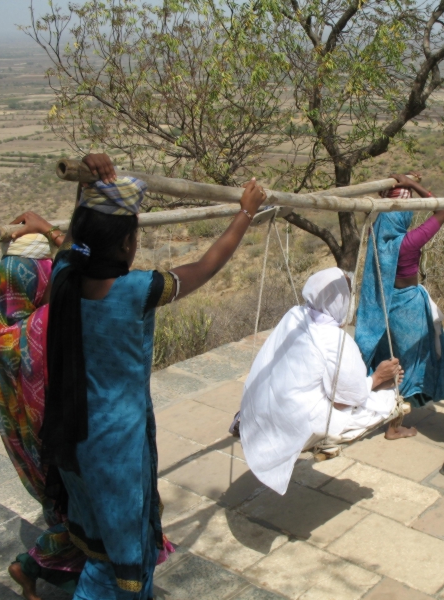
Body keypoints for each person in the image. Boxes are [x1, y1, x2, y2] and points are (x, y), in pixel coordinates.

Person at [41, 153, 267, 599]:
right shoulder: (133, 292)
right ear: (126, 245)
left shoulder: (64, 276)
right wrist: (246, 212)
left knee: (99, 549)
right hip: (115, 447)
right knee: (119, 568)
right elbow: (206, 267)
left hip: (71, 437)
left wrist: (87, 189)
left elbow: (73, 240)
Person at [0, 211, 84, 600]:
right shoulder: (38, 328)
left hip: (38, 430)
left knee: (68, 503)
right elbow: (89, 276)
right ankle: (32, 565)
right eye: (47, 277)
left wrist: (48, 233)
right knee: (75, 505)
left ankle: (34, 569)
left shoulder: (5, 330)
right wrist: (51, 233)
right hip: (46, 434)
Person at [238, 268, 404, 494]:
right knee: (383, 401)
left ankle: (376, 384)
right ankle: (380, 384)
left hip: (269, 407)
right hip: (299, 420)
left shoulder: (295, 316)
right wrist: (377, 379)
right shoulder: (334, 340)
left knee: (367, 390)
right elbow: (345, 400)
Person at [354, 173, 444, 439]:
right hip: (408, 308)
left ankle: (378, 410)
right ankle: (394, 426)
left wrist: (397, 189)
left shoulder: (376, 235)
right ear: (404, 215)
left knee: (386, 360)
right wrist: (413, 186)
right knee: (407, 369)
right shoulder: (408, 243)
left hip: (384, 307)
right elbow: (442, 208)